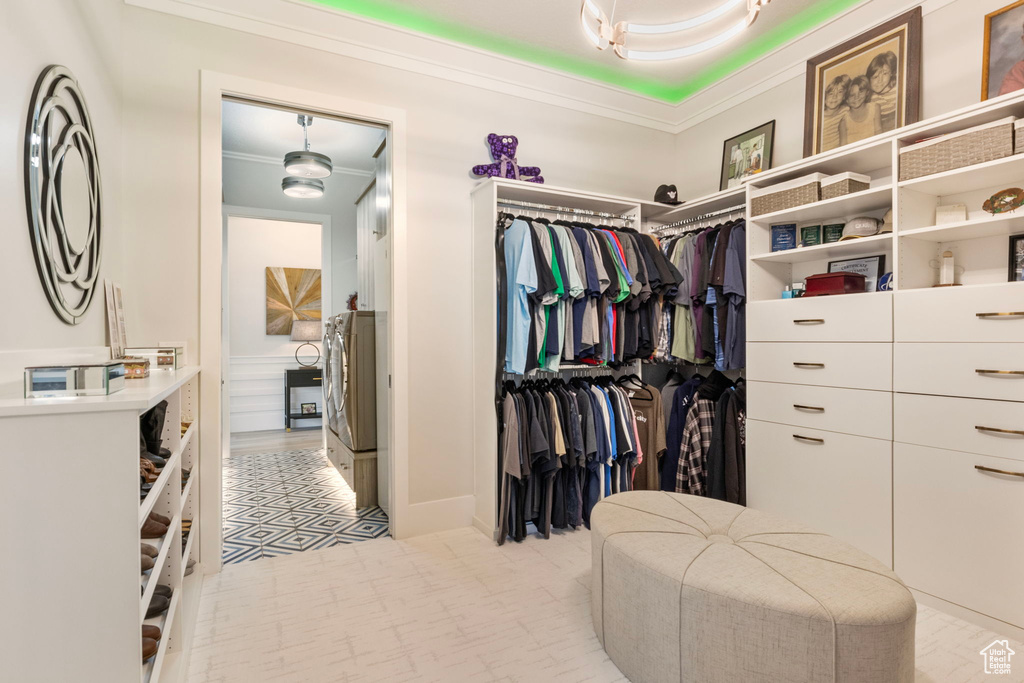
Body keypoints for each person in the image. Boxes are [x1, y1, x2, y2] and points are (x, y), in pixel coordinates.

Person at [838, 75, 882, 147]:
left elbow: (879, 131)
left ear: (867, 92)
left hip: (874, 148)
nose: (857, 97)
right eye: (852, 95)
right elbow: (842, 146)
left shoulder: (875, 108)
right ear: (846, 99)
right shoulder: (844, 120)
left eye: (861, 92)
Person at [867, 51, 899, 130]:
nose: (880, 80)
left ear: (891, 73)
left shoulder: (897, 89)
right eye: (875, 77)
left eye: (885, 74)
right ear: (869, 78)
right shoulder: (870, 97)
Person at [821, 74, 850, 151]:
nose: (834, 96)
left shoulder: (845, 111)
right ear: (824, 96)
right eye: (831, 93)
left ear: (844, 96)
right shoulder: (819, 117)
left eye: (840, 92)